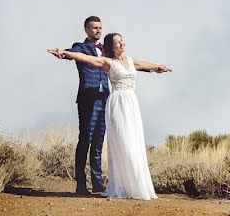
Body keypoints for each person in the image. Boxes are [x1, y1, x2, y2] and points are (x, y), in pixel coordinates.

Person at [48, 32, 171, 200]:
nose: (121, 44)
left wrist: (157, 67)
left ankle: (137, 186)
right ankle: (123, 186)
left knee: (134, 143)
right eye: (117, 43)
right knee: (124, 143)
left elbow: (144, 64)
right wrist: (64, 53)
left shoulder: (130, 60)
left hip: (131, 104)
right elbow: (85, 58)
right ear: (110, 47)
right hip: (117, 103)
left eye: (122, 41)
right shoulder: (107, 62)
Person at [63, 16, 111, 195]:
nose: (98, 31)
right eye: (94, 28)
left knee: (98, 141)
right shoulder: (81, 47)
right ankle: (81, 185)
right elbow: (71, 52)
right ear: (86, 30)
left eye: (100, 28)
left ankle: (98, 184)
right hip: (87, 99)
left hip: (104, 98)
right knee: (85, 140)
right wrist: (63, 53)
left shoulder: (106, 49)